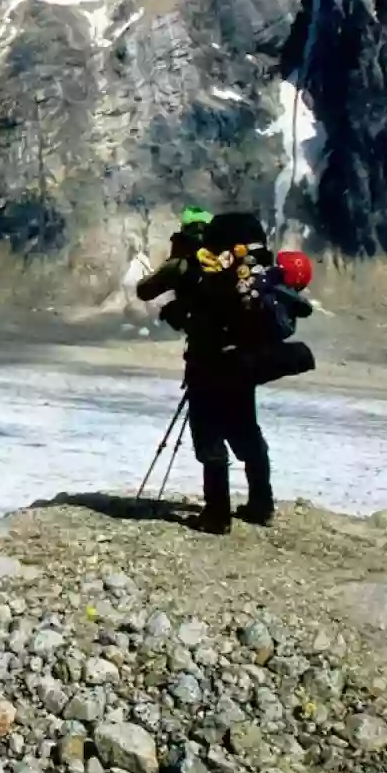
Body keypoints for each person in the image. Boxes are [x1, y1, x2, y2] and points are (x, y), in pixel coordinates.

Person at [137, 209, 315, 534]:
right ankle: (262, 504)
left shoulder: (207, 274)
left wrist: (179, 312)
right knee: (245, 429)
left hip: (209, 364)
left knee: (208, 434)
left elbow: (175, 306)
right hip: (246, 364)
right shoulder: (252, 275)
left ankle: (217, 514)